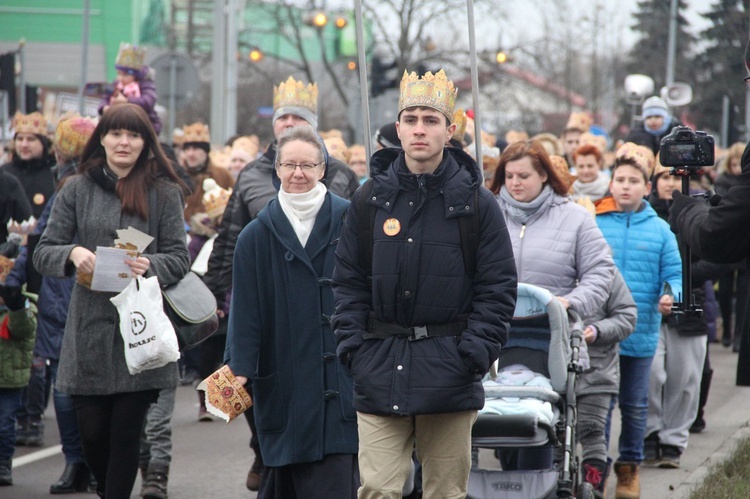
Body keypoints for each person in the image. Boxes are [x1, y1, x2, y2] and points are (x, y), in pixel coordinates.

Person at [332, 69, 518, 499]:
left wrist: (474, 352)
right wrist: (354, 347)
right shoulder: (369, 199)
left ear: (450, 130)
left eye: (431, 120)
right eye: (411, 118)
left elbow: (497, 286)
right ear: (397, 128)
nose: (420, 129)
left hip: (451, 369)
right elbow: (347, 281)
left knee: (445, 493)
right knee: (377, 489)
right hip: (379, 366)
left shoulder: (477, 203)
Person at [203, 75, 359, 492]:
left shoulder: (352, 219)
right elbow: (247, 314)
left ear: (323, 168)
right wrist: (238, 370)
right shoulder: (257, 234)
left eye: (308, 165)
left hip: (342, 377)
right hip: (283, 376)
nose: (298, 174)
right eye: (289, 165)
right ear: (276, 169)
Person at [33, 103, 189, 499]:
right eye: (116, 133)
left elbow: (178, 258)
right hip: (87, 333)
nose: (124, 142)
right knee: (93, 438)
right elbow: (43, 251)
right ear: (101, 138)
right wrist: (72, 254)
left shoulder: (163, 192)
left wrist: (147, 264)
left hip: (139, 335)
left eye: (134, 135)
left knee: (125, 436)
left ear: (145, 142)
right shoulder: (76, 188)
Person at [490, 139, 615, 475]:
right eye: (509, 175)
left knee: (540, 425)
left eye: (523, 175)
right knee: (499, 424)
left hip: (551, 339)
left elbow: (601, 272)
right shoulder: (488, 215)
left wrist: (570, 301)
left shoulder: (575, 218)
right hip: (495, 336)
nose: (514, 183)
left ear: (544, 175)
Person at [5, 114, 98, 493]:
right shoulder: (66, 186)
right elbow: (40, 239)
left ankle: (90, 462)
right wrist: (12, 281)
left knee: (82, 389)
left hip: (95, 295)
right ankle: (77, 462)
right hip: (61, 294)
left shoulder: (101, 184)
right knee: (64, 387)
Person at [595, 142, 682, 499]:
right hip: (599, 333)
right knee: (598, 405)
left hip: (642, 331)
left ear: (647, 187)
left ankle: (629, 469)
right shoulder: (594, 222)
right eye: (620, 179)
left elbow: (674, 273)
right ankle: (593, 467)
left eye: (634, 180)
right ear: (611, 184)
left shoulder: (660, 229)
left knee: (633, 406)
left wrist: (669, 294)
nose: (626, 186)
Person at [643, 163, 729, 470]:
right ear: (653, 182)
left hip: (689, 307)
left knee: (685, 378)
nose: (670, 183)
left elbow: (719, 259)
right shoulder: (644, 215)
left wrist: (682, 279)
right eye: (664, 176)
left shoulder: (702, 210)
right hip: (650, 307)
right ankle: (649, 431)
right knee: (651, 374)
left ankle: (673, 441)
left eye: (676, 176)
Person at [0, 250, 37, 487]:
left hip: (10, 378)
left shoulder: (23, 303)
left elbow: (25, 331)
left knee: (4, 424)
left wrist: (15, 307)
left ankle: (3, 464)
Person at [712, 142, 748, 350]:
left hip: (742, 242)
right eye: (733, 165)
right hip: (728, 242)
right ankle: (726, 329)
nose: (736, 169)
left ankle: (738, 335)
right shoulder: (723, 181)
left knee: (743, 292)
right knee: (725, 291)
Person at [99, 43, 162, 135]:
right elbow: (104, 98)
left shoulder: (145, 85)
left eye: (125, 75)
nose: (120, 78)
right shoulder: (116, 85)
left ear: (135, 75)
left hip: (144, 126)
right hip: (117, 124)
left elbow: (148, 101)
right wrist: (104, 108)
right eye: (119, 74)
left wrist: (127, 101)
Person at [180, 122, 235, 224]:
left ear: (206, 151)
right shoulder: (177, 177)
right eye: (187, 149)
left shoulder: (222, 175)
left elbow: (235, 207)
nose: (190, 154)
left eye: (195, 148)